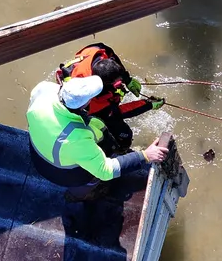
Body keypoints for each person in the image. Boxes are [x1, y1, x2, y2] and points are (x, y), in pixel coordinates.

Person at [27, 74, 169, 201]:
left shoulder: (43, 90)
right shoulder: (77, 137)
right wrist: (145, 155)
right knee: (97, 173)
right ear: (84, 104)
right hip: (55, 171)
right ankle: (79, 194)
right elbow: (106, 171)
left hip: (37, 152)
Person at [55, 43, 164, 154]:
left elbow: (109, 52)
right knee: (124, 134)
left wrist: (127, 79)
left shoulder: (97, 52)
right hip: (85, 108)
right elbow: (119, 112)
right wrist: (148, 104)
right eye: (115, 83)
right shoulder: (90, 99)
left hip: (79, 85)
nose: (119, 83)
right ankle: (118, 152)